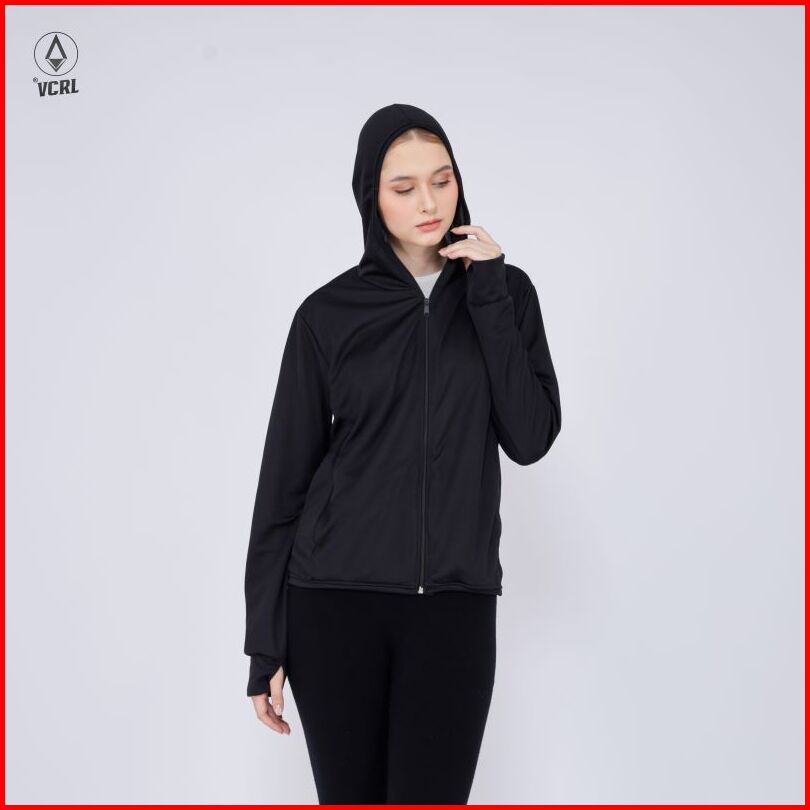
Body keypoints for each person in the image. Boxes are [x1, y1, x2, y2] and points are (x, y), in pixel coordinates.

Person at [243, 102, 562, 804]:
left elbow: (530, 437)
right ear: (371, 196)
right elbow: (284, 484)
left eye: (442, 180)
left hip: (454, 607)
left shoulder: (507, 294)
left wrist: (486, 295)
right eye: (404, 186)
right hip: (333, 604)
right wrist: (265, 640)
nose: (429, 202)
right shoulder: (328, 315)